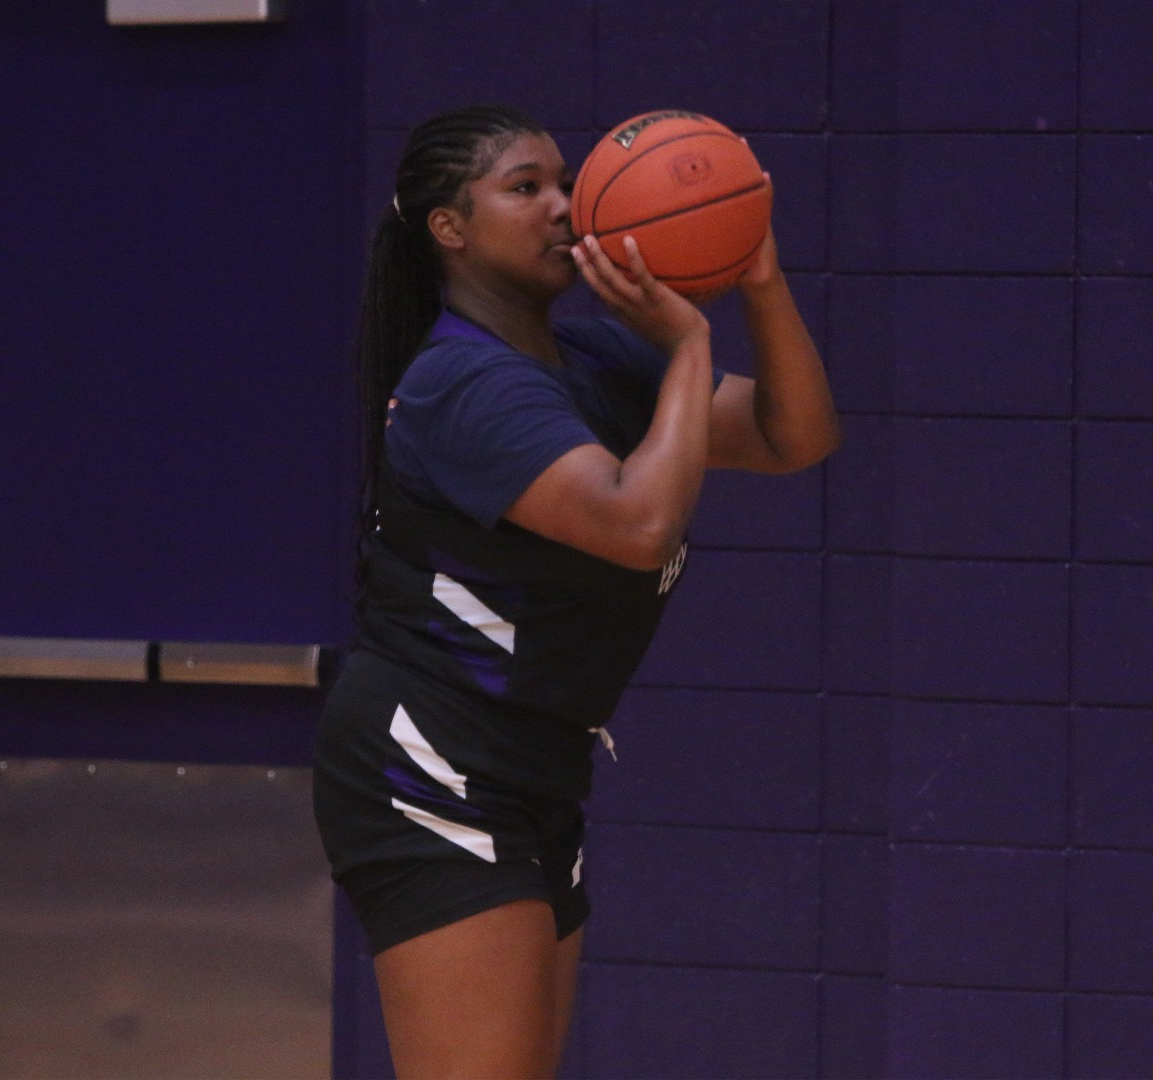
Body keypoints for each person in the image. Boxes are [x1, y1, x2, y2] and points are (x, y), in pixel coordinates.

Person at [313, 103, 839, 1079]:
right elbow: (640, 527)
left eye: (567, 181)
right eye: (527, 188)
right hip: (434, 764)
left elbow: (791, 435)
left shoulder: (599, 363)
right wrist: (687, 350)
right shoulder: (463, 385)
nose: (565, 207)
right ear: (449, 229)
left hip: (531, 766)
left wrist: (756, 279)